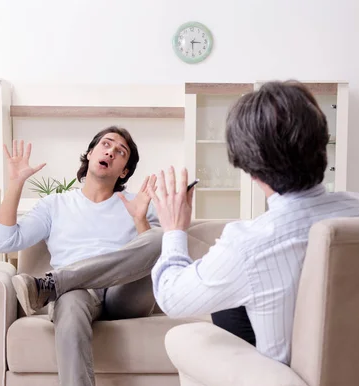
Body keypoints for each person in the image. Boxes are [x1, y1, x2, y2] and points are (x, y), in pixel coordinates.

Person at [0, 126, 162, 386]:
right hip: (77, 298)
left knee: (161, 239)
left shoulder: (134, 205)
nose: (111, 151)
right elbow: (3, 241)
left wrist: (141, 220)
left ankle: (52, 284)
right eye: (105, 144)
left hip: (124, 296)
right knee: (68, 303)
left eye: (121, 151)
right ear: (90, 154)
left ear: (124, 171)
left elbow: (158, 255)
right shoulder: (56, 205)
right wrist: (16, 183)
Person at [149, 80, 359, 365]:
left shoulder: (249, 245)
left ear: (250, 169)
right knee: (231, 306)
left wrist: (174, 229)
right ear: (322, 144)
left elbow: (172, 298)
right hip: (347, 380)